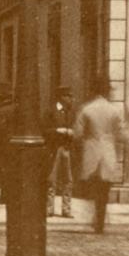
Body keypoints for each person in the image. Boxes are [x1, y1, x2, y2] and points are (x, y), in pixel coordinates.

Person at [74, 79, 124, 234]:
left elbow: (78, 134)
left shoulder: (87, 110)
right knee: (104, 189)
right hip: (108, 152)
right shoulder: (114, 110)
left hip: (91, 152)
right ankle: (100, 220)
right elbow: (122, 132)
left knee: (93, 188)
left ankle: (96, 218)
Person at [44, 86, 75, 218]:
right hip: (54, 148)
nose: (71, 99)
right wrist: (57, 131)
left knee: (68, 180)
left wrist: (71, 132)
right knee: (52, 179)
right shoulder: (51, 111)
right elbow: (45, 130)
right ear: (62, 97)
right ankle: (49, 208)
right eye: (68, 96)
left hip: (66, 148)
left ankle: (66, 209)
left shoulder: (71, 112)